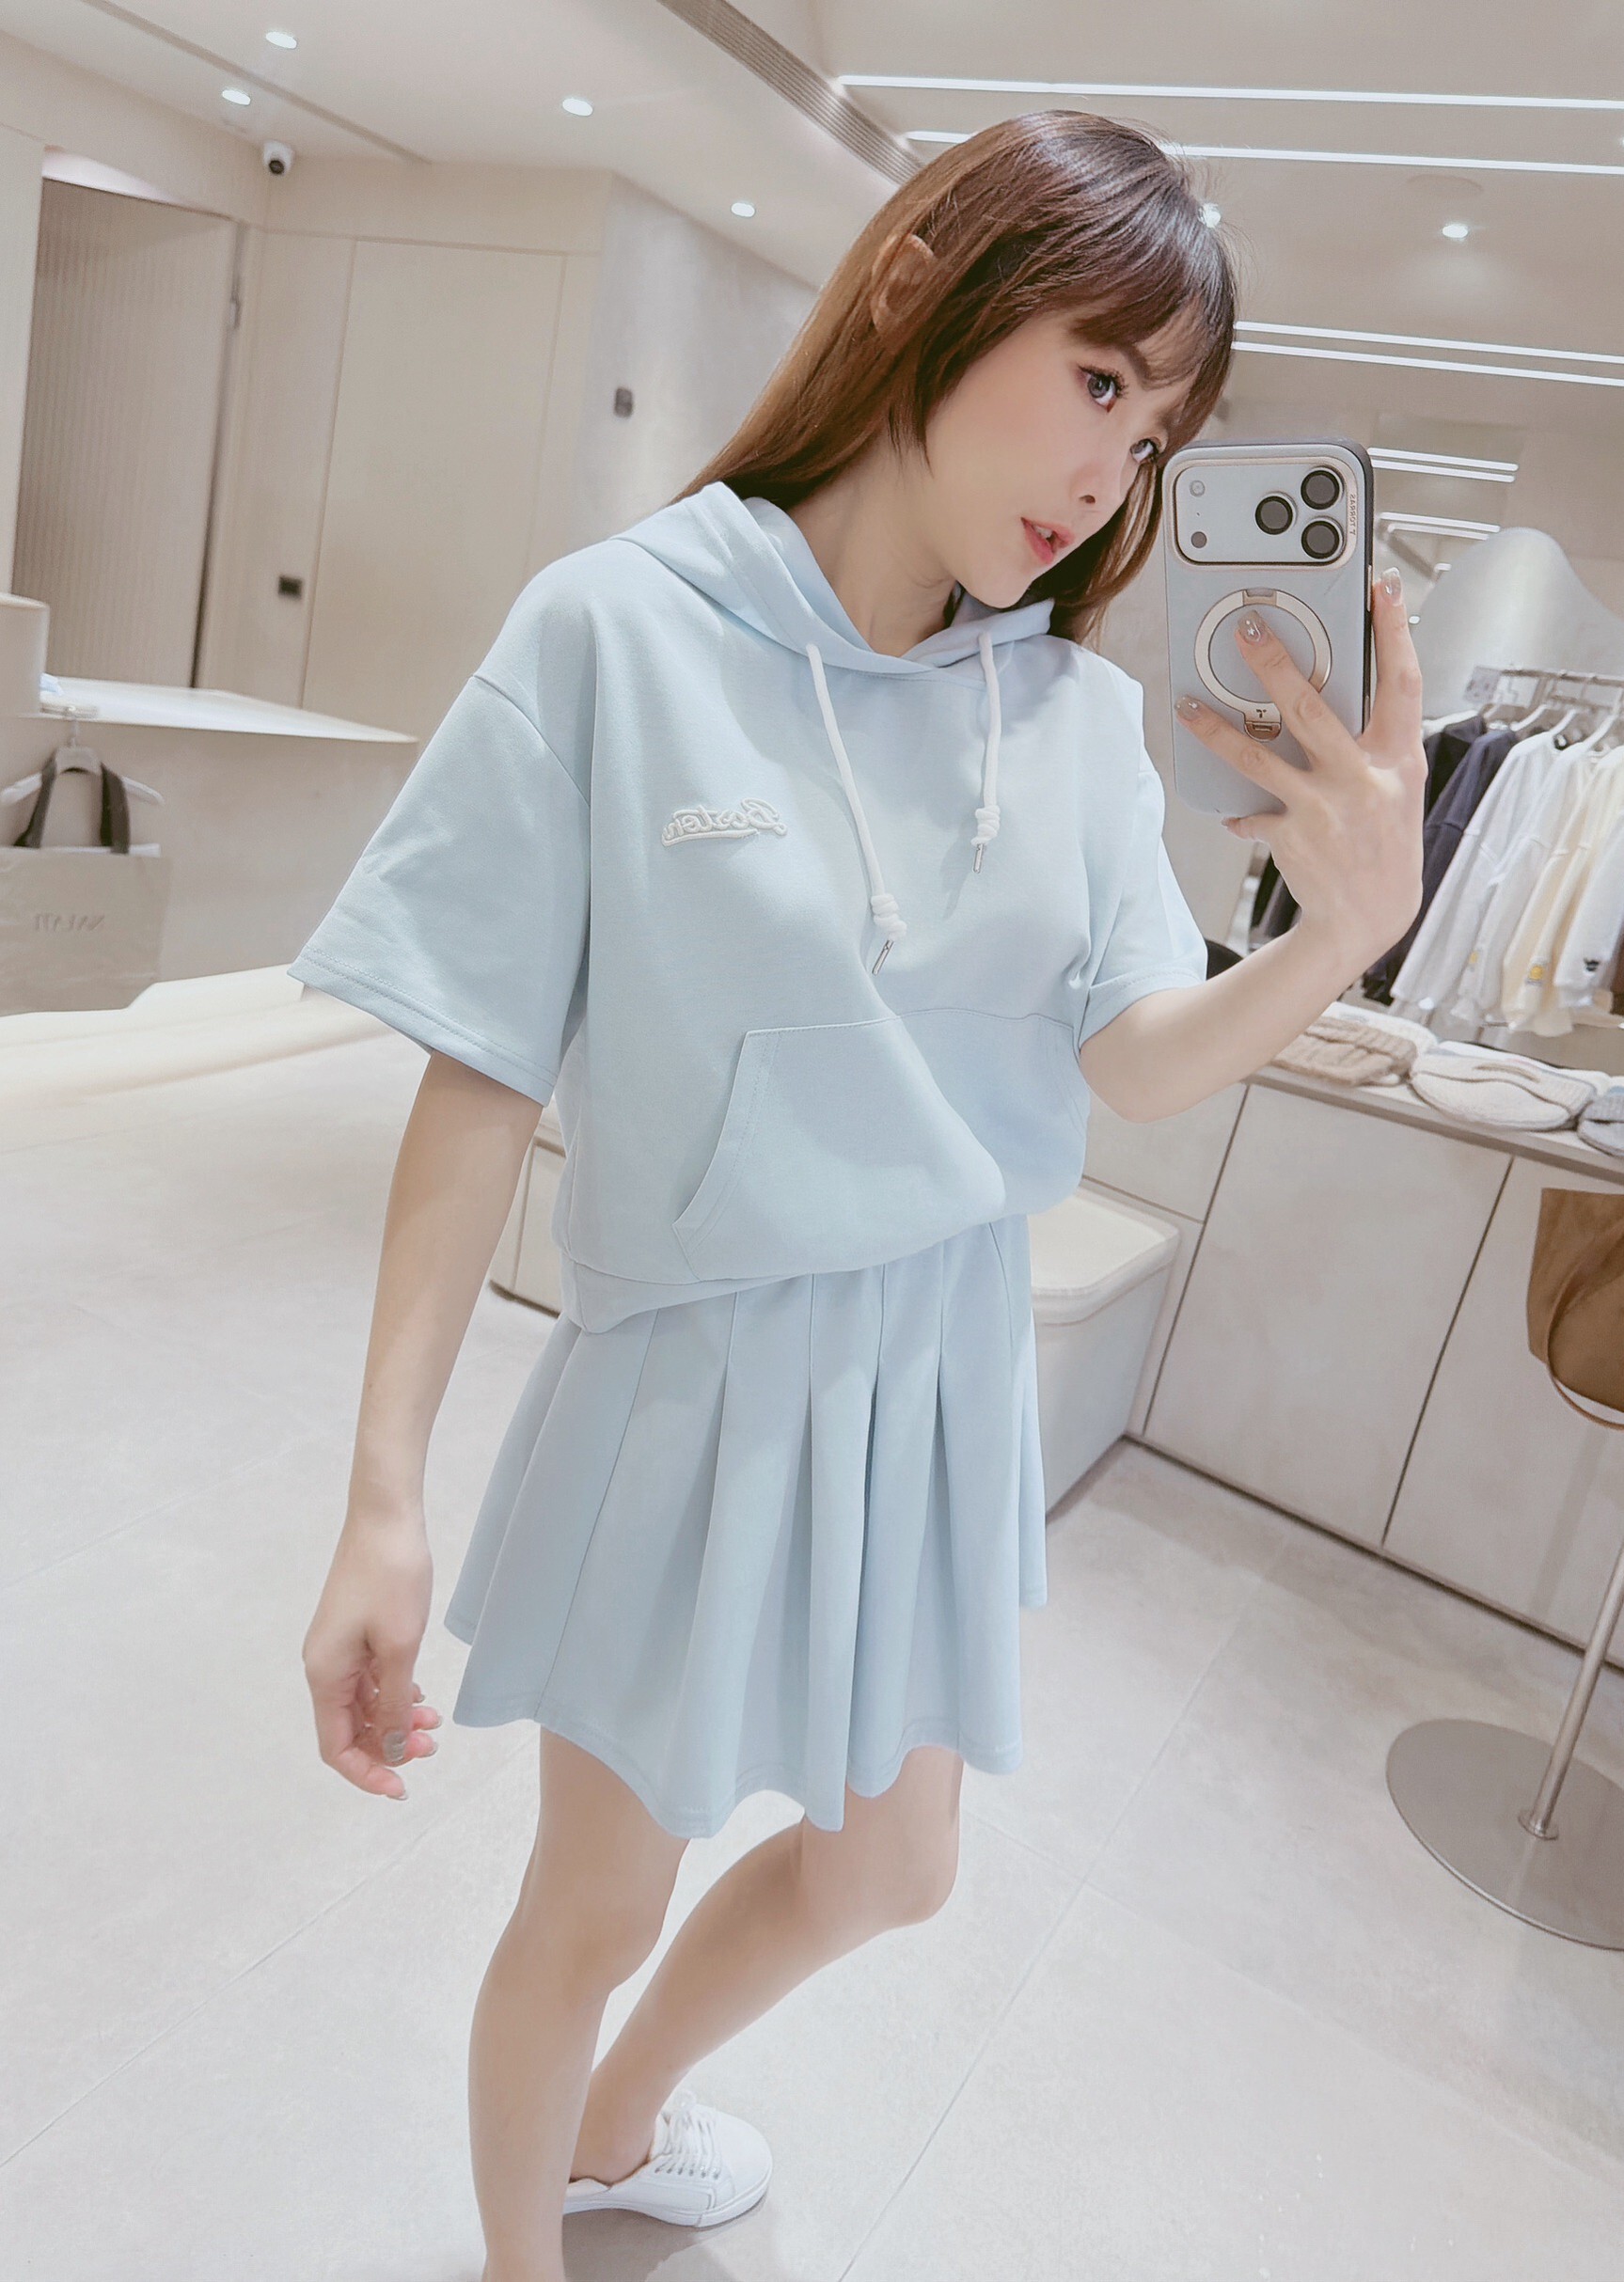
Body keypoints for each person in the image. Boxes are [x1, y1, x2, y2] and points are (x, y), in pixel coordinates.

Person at [292, 110, 1425, 2282]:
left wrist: (1337, 937)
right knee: (596, 1899)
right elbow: (478, 1058)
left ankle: (616, 2125)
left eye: (1158, 429)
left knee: (895, 1865)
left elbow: (1137, 1056)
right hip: (692, 1374)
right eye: (1099, 376)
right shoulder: (619, 629)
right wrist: (382, 1491)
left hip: (942, 1370)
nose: (1112, 468)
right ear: (922, 287)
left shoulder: (1074, 720)